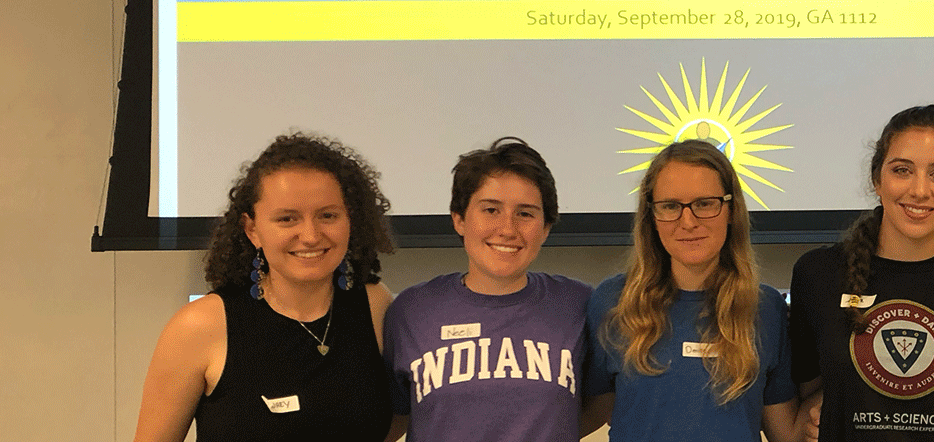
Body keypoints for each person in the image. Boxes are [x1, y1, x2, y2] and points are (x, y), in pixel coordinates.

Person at [133, 133, 397, 442]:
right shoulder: (200, 325)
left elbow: (395, 421)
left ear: (351, 220)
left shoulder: (375, 304)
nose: (311, 235)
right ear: (253, 230)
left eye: (328, 215)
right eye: (287, 219)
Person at [790, 105, 934, 442]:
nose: (920, 190)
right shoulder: (817, 274)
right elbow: (810, 391)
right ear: (877, 179)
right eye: (902, 170)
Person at [384, 137, 599, 442]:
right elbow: (395, 415)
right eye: (490, 210)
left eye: (525, 213)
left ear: (546, 227)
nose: (508, 229)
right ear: (459, 219)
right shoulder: (411, 310)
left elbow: (601, 403)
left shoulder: (580, 305)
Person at [586, 139, 802, 442]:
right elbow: (585, 412)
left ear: (730, 209)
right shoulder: (612, 301)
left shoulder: (766, 307)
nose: (688, 221)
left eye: (704, 204)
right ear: (652, 216)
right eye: (671, 206)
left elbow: (786, 431)